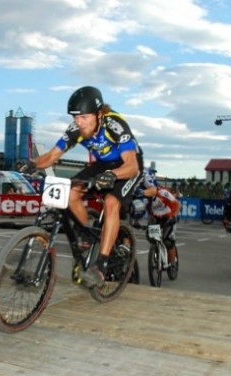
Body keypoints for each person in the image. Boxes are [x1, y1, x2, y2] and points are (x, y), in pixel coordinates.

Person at [20, 86, 143, 288]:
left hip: (127, 165)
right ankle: (86, 233)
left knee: (112, 202)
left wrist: (112, 175)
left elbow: (132, 165)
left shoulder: (115, 125)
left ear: (99, 114)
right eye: (75, 117)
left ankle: (101, 265)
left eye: (84, 117)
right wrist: (33, 164)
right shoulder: (76, 129)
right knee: (70, 193)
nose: (78, 122)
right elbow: (52, 156)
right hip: (102, 164)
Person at [140, 169, 181, 265]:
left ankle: (173, 263)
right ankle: (156, 254)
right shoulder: (143, 198)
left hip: (168, 217)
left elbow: (177, 204)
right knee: (152, 238)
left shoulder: (162, 193)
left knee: (168, 241)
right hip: (156, 218)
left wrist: (174, 216)